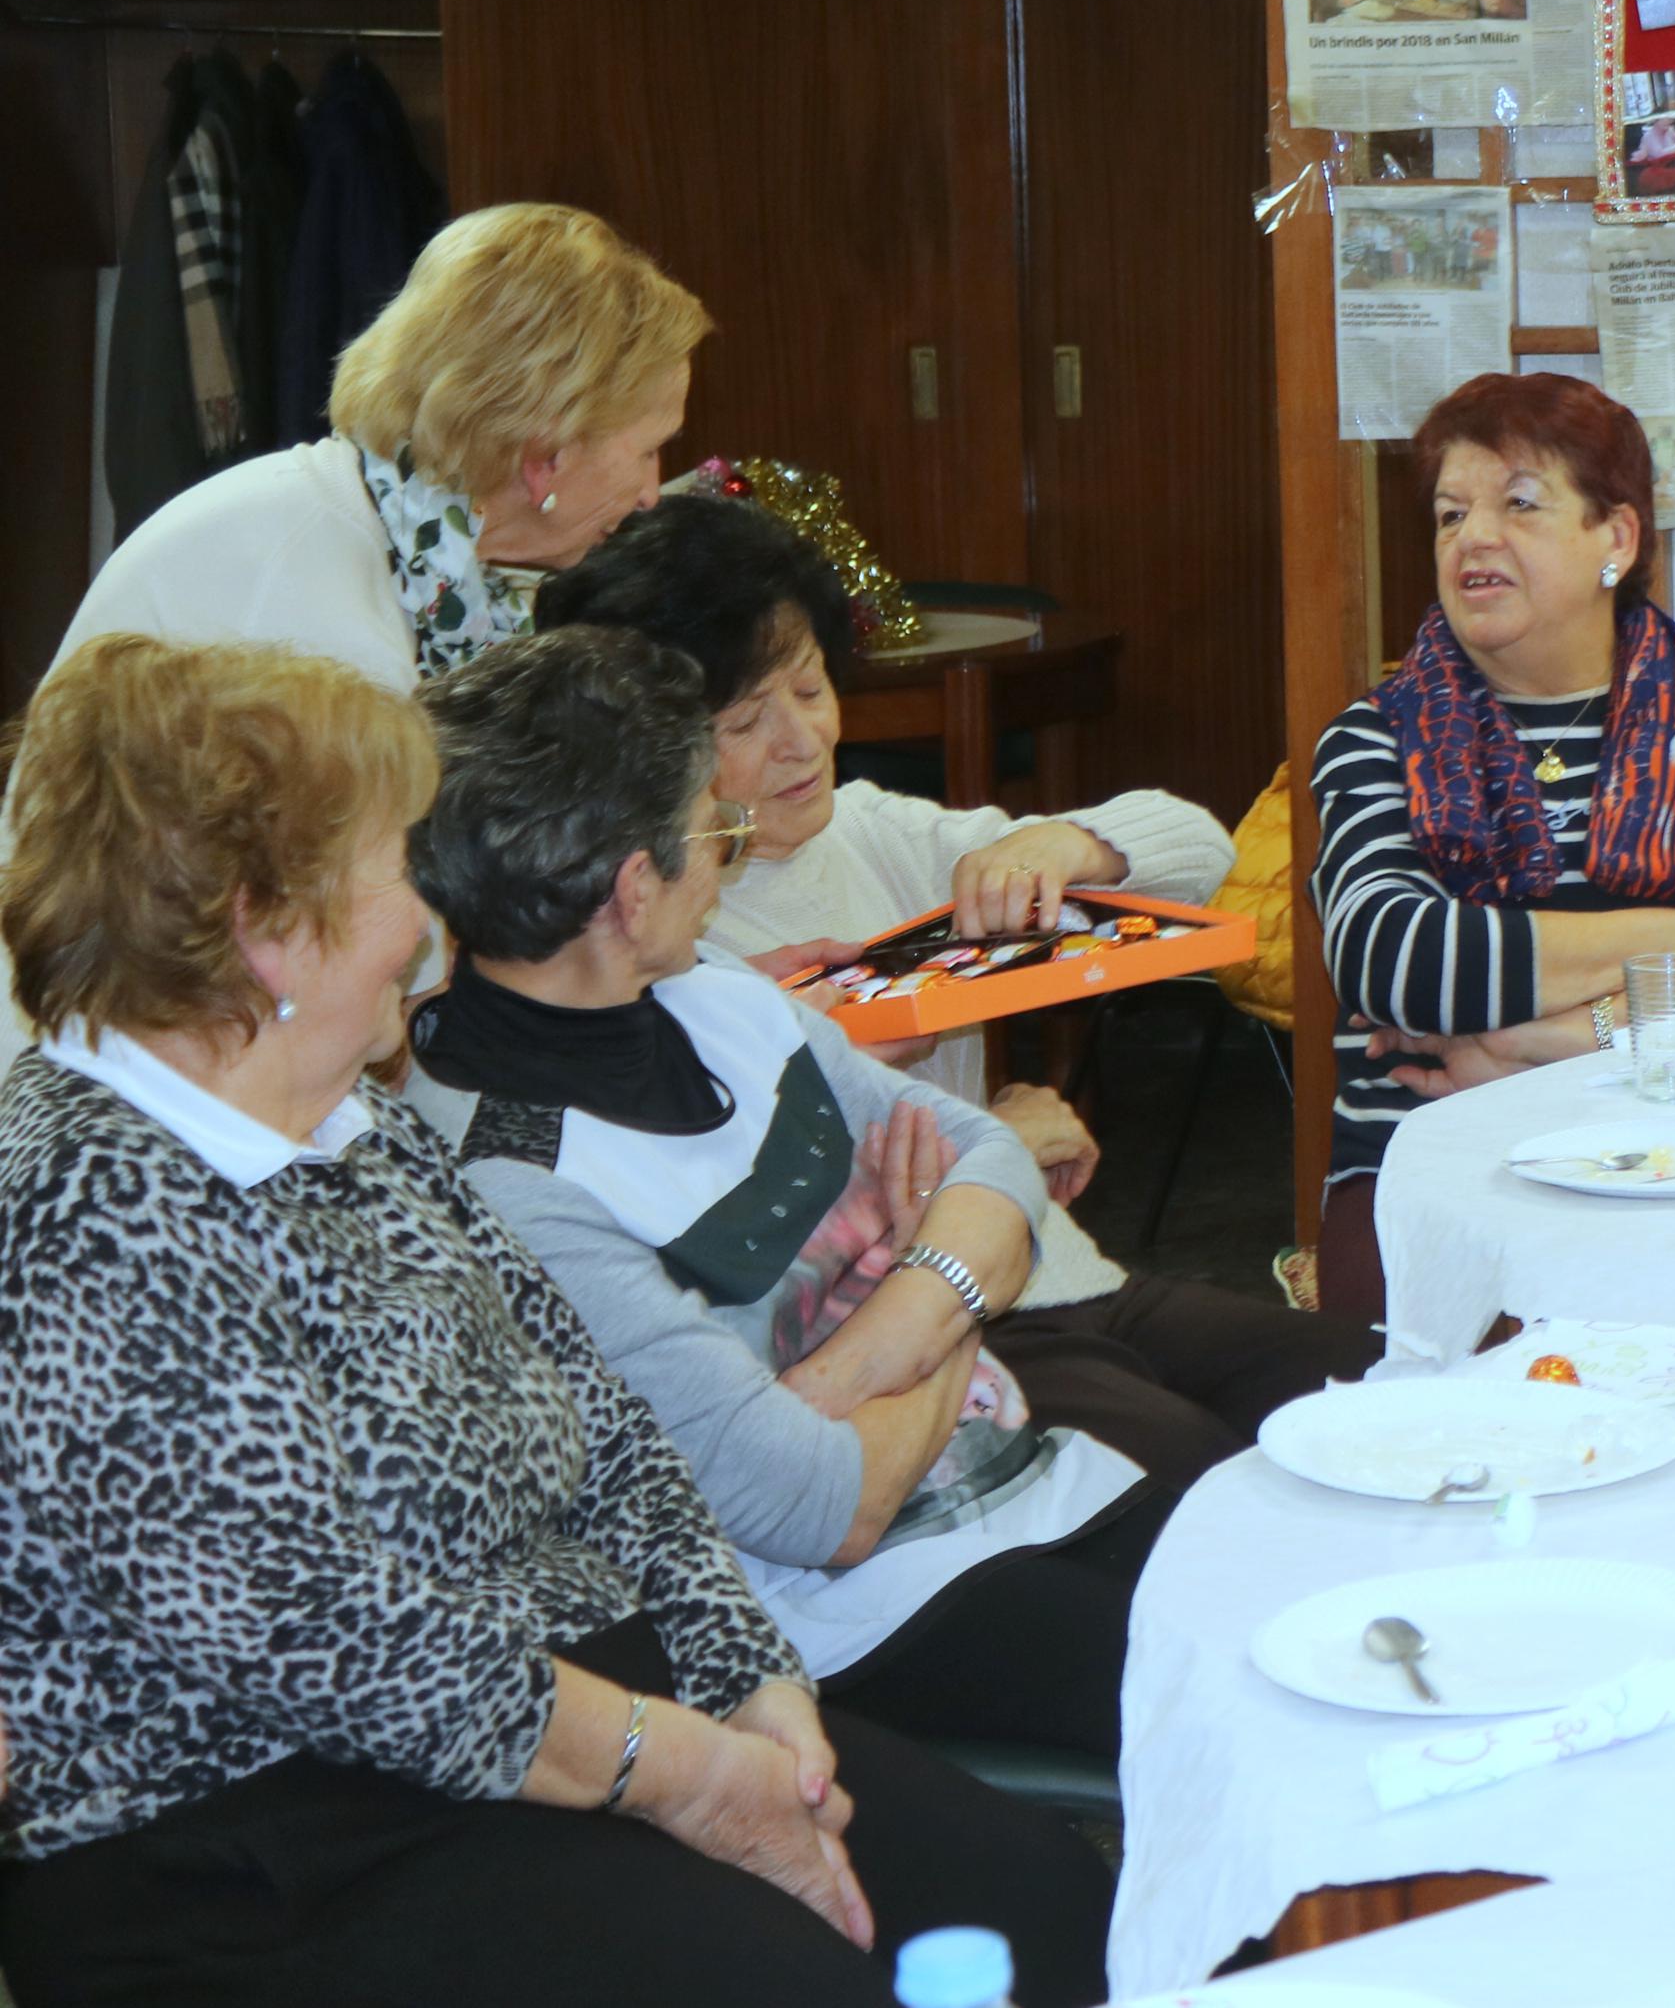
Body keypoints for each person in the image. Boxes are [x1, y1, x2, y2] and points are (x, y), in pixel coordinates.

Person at [0, 634, 1107, 2007]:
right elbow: (327, 1633)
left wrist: (754, 1681)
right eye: (392, 865)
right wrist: (687, 1769)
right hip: (281, 1839)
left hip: (573, 1699)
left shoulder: (349, 1124)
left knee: (1045, 1904)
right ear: (263, 923)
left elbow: (617, 1436)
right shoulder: (87, 1198)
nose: (426, 916)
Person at [401, 630, 1193, 1766]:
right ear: (632, 890)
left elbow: (992, 1159)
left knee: (1289, 1575)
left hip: (1003, 1476)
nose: (723, 863)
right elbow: (822, 1508)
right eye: (710, 833)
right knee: (1231, 1689)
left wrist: (854, 1355)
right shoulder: (515, 1183)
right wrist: (950, 1291)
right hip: (839, 1618)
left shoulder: (705, 989)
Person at [537, 496, 1375, 1471]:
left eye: (809, 690)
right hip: (938, 1328)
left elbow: (1197, 846)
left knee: (1379, 1387)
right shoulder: (649, 933)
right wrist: (996, 1143)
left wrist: (1065, 845)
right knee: (1216, 1481)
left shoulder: (868, 828)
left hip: (1069, 1274)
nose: (801, 742)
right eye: (745, 721)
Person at [1306, 376, 1675, 1317]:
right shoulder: (1375, 735)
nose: (1472, 536)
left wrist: (1555, 1045)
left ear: (1617, 538)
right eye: (1450, 514)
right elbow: (1392, 959)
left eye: (1519, 503)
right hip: (1434, 1164)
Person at [49, 198, 705, 696]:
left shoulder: (417, 556)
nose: (652, 494)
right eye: (650, 448)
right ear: (545, 454)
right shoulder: (309, 577)